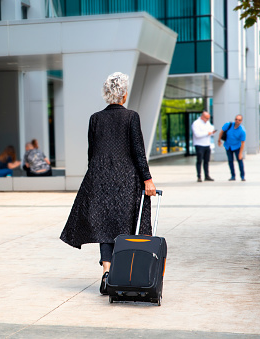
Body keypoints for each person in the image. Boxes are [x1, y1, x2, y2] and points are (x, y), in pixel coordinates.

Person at [59, 72, 157, 296]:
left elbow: (92, 152)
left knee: (105, 228)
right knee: (126, 226)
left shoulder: (95, 118)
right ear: (123, 95)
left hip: (100, 177)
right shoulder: (131, 117)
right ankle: (127, 273)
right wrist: (147, 179)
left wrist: (95, 176)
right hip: (126, 179)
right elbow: (138, 151)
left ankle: (107, 272)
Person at [217, 114, 246, 181]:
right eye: (236, 119)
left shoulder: (242, 131)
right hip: (228, 146)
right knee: (230, 161)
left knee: (240, 161)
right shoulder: (228, 125)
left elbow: (243, 143)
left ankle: (242, 176)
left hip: (237, 147)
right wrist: (219, 140)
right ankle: (233, 176)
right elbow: (221, 132)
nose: (237, 121)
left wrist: (240, 153)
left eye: (239, 120)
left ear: (241, 121)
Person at [191, 111, 216, 182]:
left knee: (206, 161)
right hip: (199, 145)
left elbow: (211, 131)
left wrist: (211, 132)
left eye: (208, 118)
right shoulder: (196, 123)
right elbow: (197, 134)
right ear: (202, 117)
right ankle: (199, 176)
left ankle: (207, 176)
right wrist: (207, 133)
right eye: (206, 118)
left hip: (207, 145)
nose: (207, 120)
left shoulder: (208, 123)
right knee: (199, 161)